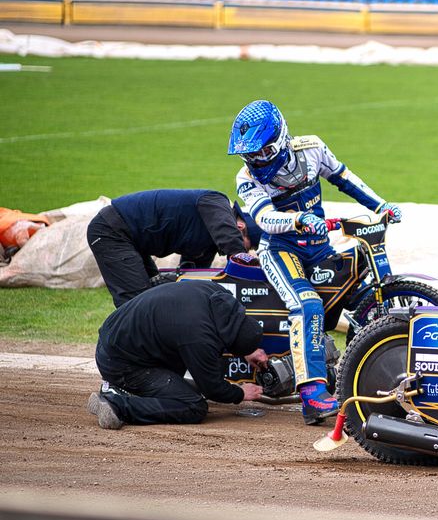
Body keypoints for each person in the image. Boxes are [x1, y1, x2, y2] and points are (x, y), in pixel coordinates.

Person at [227, 99, 401, 425]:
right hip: (280, 250)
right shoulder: (246, 177)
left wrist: (382, 206)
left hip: (318, 246)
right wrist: (297, 221)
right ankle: (312, 396)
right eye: (249, 155)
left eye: (261, 152)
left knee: (352, 288)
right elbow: (265, 218)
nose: (255, 160)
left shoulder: (312, 149)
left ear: (280, 139)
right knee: (308, 305)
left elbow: (345, 178)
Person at [87, 280, 267, 429]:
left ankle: (127, 392)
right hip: (119, 361)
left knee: (193, 381)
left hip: (117, 336)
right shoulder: (198, 336)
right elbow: (212, 389)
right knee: (193, 406)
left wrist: (246, 350)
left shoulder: (218, 294)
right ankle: (116, 404)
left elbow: (220, 339)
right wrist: (240, 393)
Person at [87, 189, 257, 308]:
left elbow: (190, 277)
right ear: (240, 226)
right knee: (137, 304)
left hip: (133, 241)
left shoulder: (207, 244)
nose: (246, 251)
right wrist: (246, 270)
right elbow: (233, 245)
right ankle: (132, 356)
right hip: (111, 230)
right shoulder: (215, 201)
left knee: (156, 297)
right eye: (248, 247)